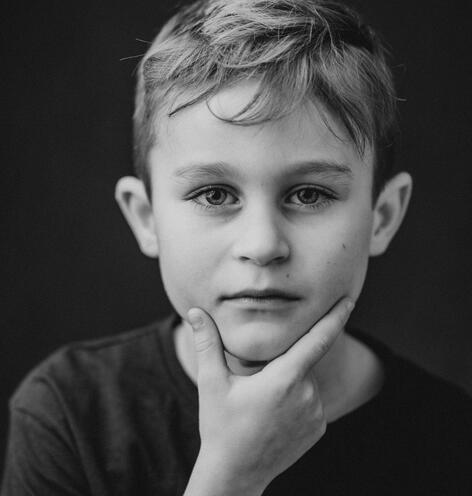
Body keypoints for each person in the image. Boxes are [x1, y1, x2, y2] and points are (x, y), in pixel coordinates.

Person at [2, 0, 471, 494]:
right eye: (214, 195)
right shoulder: (69, 415)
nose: (262, 245)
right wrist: (230, 478)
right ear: (146, 217)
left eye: (309, 195)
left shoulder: (453, 442)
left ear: (383, 216)